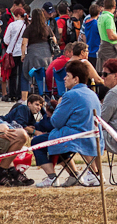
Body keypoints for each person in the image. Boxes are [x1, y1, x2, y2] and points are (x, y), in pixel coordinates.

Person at [31, 60, 101, 188]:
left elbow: (56, 122)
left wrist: (58, 105)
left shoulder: (70, 95)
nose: (64, 78)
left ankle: (52, 177)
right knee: (56, 141)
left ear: (76, 79)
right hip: (91, 137)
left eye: (67, 75)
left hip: (75, 137)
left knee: (37, 142)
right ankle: (74, 175)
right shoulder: (92, 94)